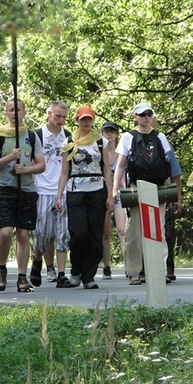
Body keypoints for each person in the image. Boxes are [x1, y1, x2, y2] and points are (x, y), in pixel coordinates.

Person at [112, 102, 174, 286]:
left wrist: (169, 189)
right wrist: (116, 189)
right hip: (136, 188)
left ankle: (158, 271)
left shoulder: (160, 137)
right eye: (142, 114)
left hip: (158, 188)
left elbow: (167, 164)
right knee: (135, 231)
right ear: (135, 117)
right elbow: (121, 165)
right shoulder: (127, 137)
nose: (146, 117)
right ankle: (133, 272)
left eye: (149, 114)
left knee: (158, 230)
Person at [0, 98, 45, 292]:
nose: (14, 113)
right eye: (11, 110)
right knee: (5, 231)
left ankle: (22, 276)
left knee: (23, 233)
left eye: (18, 110)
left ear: (24, 112)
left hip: (26, 190)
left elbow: (41, 165)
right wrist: (10, 157)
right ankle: (1, 269)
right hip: (4, 188)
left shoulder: (32, 136)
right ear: (6, 113)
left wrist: (26, 169)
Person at [55, 105, 114, 289]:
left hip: (97, 190)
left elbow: (106, 168)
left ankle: (89, 276)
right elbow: (64, 172)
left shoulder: (100, 142)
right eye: (83, 119)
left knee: (94, 235)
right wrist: (59, 195)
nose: (87, 122)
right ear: (77, 121)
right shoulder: (69, 142)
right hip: (75, 191)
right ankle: (76, 270)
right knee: (79, 234)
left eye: (89, 119)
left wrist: (110, 194)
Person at [29, 101, 74, 288]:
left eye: (64, 117)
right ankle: (37, 261)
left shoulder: (68, 137)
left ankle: (62, 273)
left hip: (61, 188)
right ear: (49, 114)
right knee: (42, 233)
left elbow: (67, 167)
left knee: (63, 233)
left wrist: (61, 192)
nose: (61, 120)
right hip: (40, 189)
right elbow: (30, 160)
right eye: (57, 116)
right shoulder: (36, 135)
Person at [150, 115, 183, 283]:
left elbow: (175, 173)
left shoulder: (164, 143)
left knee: (165, 231)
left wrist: (178, 198)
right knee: (146, 232)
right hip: (142, 191)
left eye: (152, 121)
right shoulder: (133, 141)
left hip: (164, 192)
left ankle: (167, 268)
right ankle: (145, 269)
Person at [100, 120, 126, 279]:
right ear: (102, 133)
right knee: (105, 233)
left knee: (123, 230)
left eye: (112, 131)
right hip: (103, 194)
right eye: (106, 131)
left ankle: (129, 265)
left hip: (119, 194)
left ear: (116, 133)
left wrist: (120, 188)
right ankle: (106, 266)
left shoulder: (122, 152)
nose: (109, 134)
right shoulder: (99, 153)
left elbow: (123, 173)